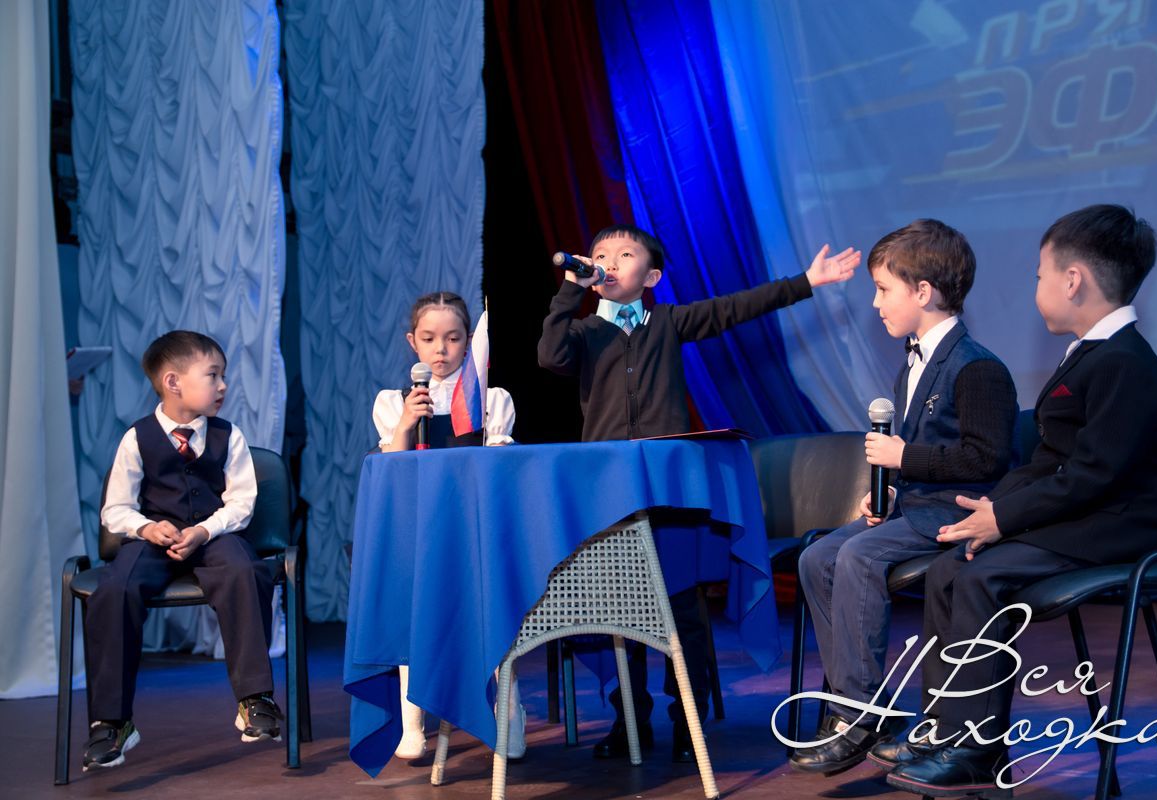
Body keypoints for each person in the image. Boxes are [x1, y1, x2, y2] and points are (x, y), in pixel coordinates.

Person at [876, 205, 1157, 797]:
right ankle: (941, 730)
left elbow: (1094, 475)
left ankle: (975, 747)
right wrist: (989, 509)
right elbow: (1050, 464)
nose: (1036, 287)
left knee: (982, 577)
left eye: (1040, 274)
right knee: (950, 568)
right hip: (1089, 515)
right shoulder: (1093, 353)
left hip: (1122, 525)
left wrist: (1004, 517)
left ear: (1073, 280)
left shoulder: (1124, 362)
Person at [538, 224, 859, 762]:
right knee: (617, 607)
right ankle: (629, 717)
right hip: (612, 494)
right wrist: (571, 289)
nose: (608, 261)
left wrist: (805, 281)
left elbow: (736, 308)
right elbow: (550, 355)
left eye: (624, 254)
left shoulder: (669, 322)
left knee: (681, 605)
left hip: (669, 493)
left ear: (651, 277)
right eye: (599, 255)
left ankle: (689, 716)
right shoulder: (585, 331)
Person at [790, 219, 1018, 776]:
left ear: (923, 292)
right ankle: (867, 705)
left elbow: (985, 460)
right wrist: (887, 492)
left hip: (953, 513)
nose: (875, 303)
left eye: (882, 289)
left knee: (858, 555)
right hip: (913, 509)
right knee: (816, 556)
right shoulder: (910, 365)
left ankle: (857, 714)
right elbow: (916, 459)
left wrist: (903, 459)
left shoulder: (978, 367)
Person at [84, 331, 276, 771]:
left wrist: (205, 531)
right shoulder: (137, 438)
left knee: (244, 570)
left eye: (223, 376)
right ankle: (111, 721)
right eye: (213, 375)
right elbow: (115, 509)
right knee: (116, 589)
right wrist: (148, 528)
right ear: (173, 382)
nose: (223, 385)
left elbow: (242, 503)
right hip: (155, 540)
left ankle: (255, 699)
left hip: (212, 535)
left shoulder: (229, 435)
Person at [370, 291, 524, 759]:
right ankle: (413, 720)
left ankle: (508, 712)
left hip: (474, 528)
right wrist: (405, 425)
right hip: (418, 530)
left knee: (492, 614)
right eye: (430, 338)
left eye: (454, 338)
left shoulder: (489, 398)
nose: (441, 349)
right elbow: (389, 472)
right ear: (412, 342)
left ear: (469, 341)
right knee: (412, 615)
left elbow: (502, 471)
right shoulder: (393, 402)